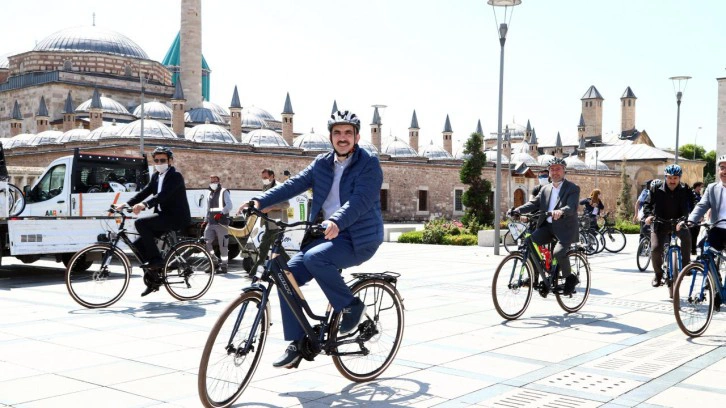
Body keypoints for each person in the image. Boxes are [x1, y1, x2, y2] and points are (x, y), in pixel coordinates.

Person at [246, 110, 383, 369]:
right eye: (337, 132)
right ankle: (298, 343)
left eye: (348, 133)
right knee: (285, 277)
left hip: (358, 237)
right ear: (330, 137)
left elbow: (360, 200)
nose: (342, 137)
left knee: (315, 258)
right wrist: (260, 201)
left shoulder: (369, 163)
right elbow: (294, 184)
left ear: (357, 137)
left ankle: (351, 306)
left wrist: (336, 220)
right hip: (327, 234)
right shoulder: (322, 163)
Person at [118, 147, 191, 297]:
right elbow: (145, 192)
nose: (159, 163)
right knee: (138, 245)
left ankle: (157, 260)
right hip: (163, 216)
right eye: (156, 160)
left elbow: (163, 195)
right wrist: (126, 204)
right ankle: (154, 278)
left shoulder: (175, 176)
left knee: (141, 223)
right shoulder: (156, 176)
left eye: (162, 160)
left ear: (170, 161)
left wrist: (144, 205)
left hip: (175, 217)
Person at [511, 157, 581, 295]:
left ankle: (570, 278)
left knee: (558, 253)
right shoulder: (545, 189)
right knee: (529, 242)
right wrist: (517, 210)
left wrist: (561, 211)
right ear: (549, 172)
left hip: (565, 229)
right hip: (548, 227)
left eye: (558, 169)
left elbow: (571, 206)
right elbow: (533, 204)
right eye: (552, 169)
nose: (555, 172)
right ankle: (535, 276)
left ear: (564, 171)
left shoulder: (572, 188)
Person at [643, 164, 692, 288]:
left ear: (679, 178)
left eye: (675, 178)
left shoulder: (685, 188)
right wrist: (648, 216)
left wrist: (691, 217)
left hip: (679, 222)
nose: (672, 181)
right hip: (660, 222)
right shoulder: (656, 188)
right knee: (655, 248)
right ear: (665, 177)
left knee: (686, 239)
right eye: (670, 178)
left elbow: (693, 202)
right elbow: (647, 204)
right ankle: (658, 274)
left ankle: (686, 267)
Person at [243, 169, 290, 278]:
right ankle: (255, 273)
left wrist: (271, 208)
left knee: (277, 250)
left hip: (277, 224)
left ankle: (293, 268)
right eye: (262, 178)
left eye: (265, 177)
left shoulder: (280, 187)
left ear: (272, 176)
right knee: (263, 249)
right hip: (269, 223)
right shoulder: (266, 187)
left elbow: (286, 205)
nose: (263, 180)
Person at [204, 174, 233, 273]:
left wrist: (221, 213)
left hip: (221, 223)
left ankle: (224, 266)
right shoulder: (209, 193)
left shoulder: (224, 192)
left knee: (223, 245)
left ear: (219, 181)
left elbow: (229, 205)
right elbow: (208, 209)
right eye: (211, 181)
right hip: (211, 222)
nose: (213, 183)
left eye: (215, 181)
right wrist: (205, 220)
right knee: (206, 242)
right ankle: (214, 262)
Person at [689, 181, 704, 255]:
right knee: (692, 234)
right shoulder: (692, 195)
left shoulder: (699, 196)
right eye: (700, 187)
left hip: (698, 218)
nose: (701, 189)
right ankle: (692, 249)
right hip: (692, 218)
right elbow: (692, 206)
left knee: (695, 234)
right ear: (697, 187)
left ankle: (693, 249)